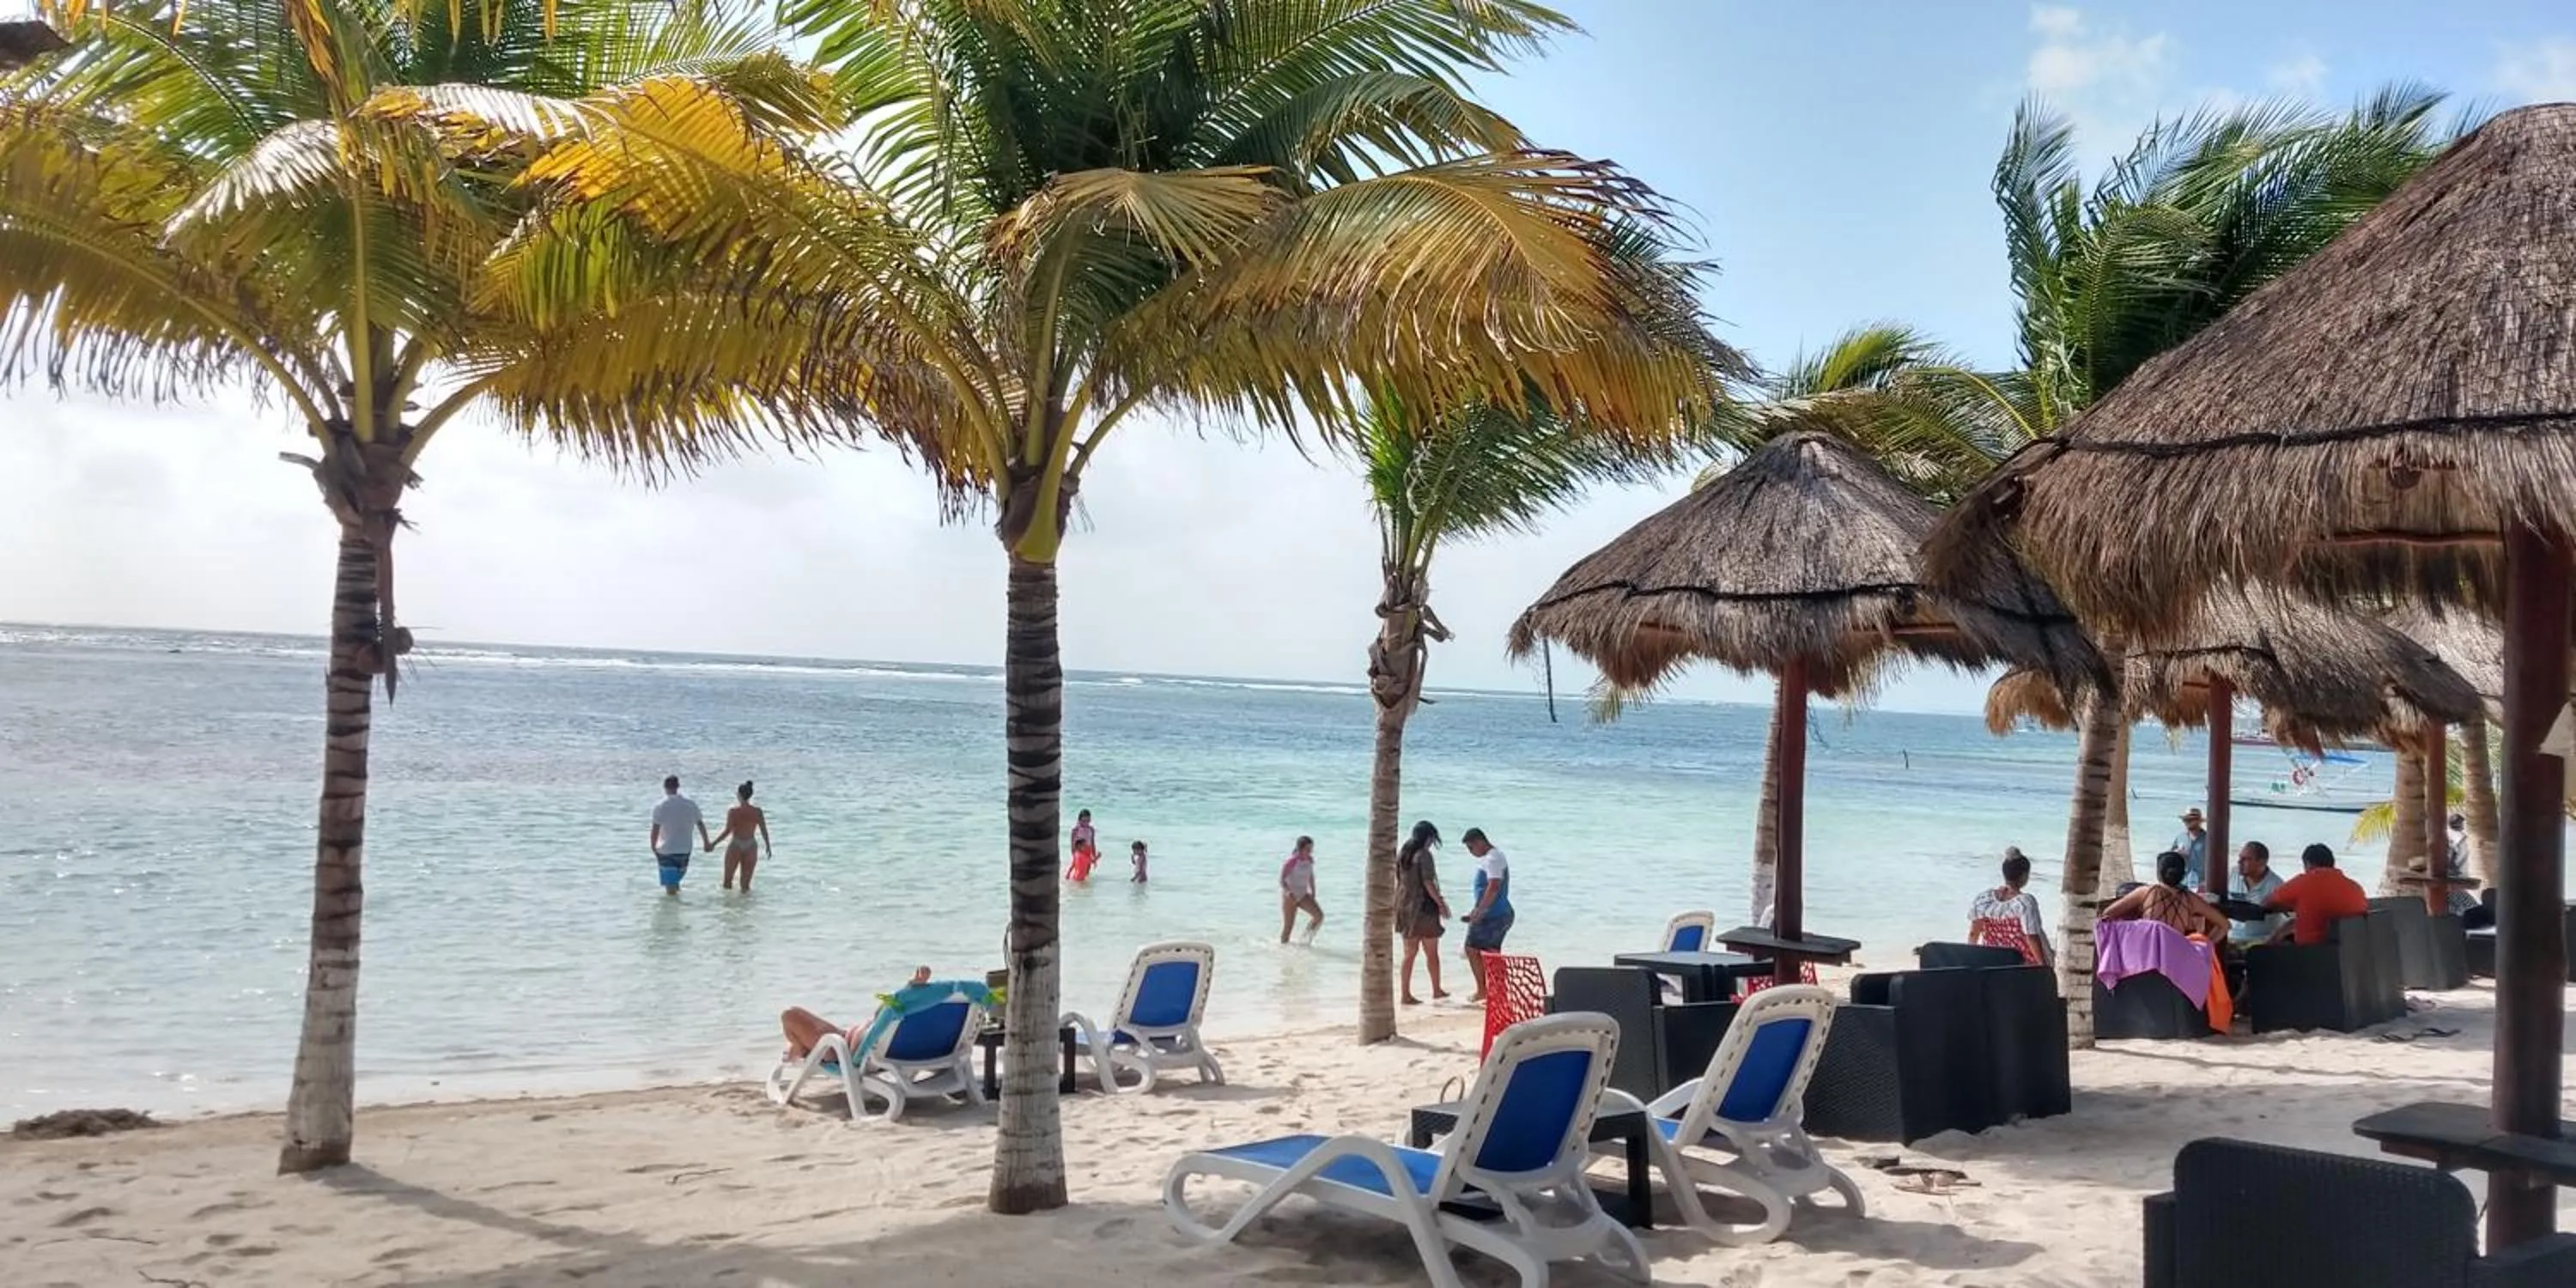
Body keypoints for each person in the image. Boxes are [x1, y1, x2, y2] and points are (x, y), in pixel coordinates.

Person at [779, 966, 934, 1060]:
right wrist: (908, 988)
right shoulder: (930, 1019)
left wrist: (907, 989)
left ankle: (800, 1048)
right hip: (858, 1040)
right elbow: (886, 1011)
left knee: (789, 1015)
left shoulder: (897, 1015)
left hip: (843, 1050)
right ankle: (799, 1046)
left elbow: (885, 1011)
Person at [2100, 850, 2231, 940]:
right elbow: (2225, 925)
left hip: (2146, 955)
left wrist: (2132, 929)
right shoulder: (2191, 899)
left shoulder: (2146, 892)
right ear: (2182, 875)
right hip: (2175, 958)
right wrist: (2207, 946)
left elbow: (2107, 914)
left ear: (2159, 872)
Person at [2262, 842, 2370, 945]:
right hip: (2349, 953)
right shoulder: (2356, 888)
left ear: (2308, 864)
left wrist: (2290, 905)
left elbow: (2267, 903)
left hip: (2311, 954)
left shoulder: (2304, 882)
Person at [1967, 847, 2054, 966]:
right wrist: (2042, 966)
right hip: (2021, 966)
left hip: (1992, 964)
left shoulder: (1983, 899)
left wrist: (1970, 960)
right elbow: (2031, 937)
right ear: (2024, 876)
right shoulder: (2024, 903)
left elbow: (1973, 933)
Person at [1394, 821, 1450, 1004]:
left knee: (1409, 954)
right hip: (1424, 909)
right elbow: (1428, 882)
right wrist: (1441, 904)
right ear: (1428, 837)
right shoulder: (1424, 855)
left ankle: (1405, 994)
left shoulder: (1403, 855)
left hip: (1405, 907)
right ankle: (1436, 990)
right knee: (1431, 952)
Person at [1459, 828, 1514, 1003]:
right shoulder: (1494, 857)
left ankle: (1484, 991)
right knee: (1490, 952)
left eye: (1470, 848)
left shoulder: (1492, 858)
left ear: (1479, 842)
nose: (1471, 852)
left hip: (1493, 914)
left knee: (1473, 949)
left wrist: (1480, 911)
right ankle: (1497, 992)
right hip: (1495, 913)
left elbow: (1494, 886)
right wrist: (1476, 911)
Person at [648, 775, 710, 896]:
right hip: (685, 849)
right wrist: (706, 842)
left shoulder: (660, 806)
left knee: (670, 889)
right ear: (678, 787)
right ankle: (678, 911)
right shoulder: (690, 804)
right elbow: (700, 824)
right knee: (676, 882)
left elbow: (655, 829)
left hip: (667, 850)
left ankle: (672, 913)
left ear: (665, 787)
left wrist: (653, 846)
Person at [708, 780, 770, 892]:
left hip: (736, 844)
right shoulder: (757, 811)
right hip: (751, 845)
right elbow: (763, 830)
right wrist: (768, 846)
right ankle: (745, 908)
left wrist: (713, 844)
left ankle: (727, 907)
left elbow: (727, 831)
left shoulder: (733, 812)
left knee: (727, 882)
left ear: (739, 795)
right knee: (745, 886)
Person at [2224, 841, 2287, 945]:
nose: (2239, 862)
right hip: (2232, 937)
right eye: (2240, 857)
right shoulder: (2231, 874)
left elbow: (2290, 912)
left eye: (2246, 859)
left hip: (2262, 941)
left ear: (2262, 862)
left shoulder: (2277, 885)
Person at [1279, 835, 1324, 945]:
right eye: (1308, 849)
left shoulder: (1309, 860)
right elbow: (1281, 880)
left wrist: (1313, 891)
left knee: (1319, 916)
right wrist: (1288, 892)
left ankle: (1305, 941)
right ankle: (1282, 951)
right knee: (1288, 927)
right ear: (1300, 848)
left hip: (1303, 895)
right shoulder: (1291, 861)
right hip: (1290, 897)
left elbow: (1311, 876)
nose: (1310, 851)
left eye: (1311, 849)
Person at [2171, 808, 2209, 888]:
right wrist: (2177, 854)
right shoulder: (2180, 837)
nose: (2187, 823)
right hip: (2183, 882)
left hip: (2201, 884)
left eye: (2190, 820)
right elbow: (2170, 858)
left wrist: (2208, 882)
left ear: (2199, 821)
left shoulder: (2208, 839)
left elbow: (2215, 862)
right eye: (2185, 820)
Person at [1066, 810, 1100, 882]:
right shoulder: (1076, 829)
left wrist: (1094, 854)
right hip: (1079, 850)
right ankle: (1076, 881)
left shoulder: (1091, 829)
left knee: (1087, 869)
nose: (1086, 823)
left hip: (1088, 850)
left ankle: (1084, 887)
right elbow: (1072, 842)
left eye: (1088, 821)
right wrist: (1074, 853)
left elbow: (1092, 842)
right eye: (1084, 821)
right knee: (1078, 868)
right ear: (1079, 820)